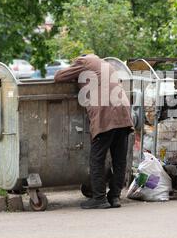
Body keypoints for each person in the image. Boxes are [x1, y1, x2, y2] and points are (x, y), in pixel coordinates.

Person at [54, 54, 133, 209]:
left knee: (97, 158)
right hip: (123, 111)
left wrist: (74, 72)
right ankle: (115, 197)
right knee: (119, 158)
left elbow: (58, 77)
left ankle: (99, 198)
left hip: (106, 113)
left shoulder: (84, 62)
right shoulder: (105, 64)